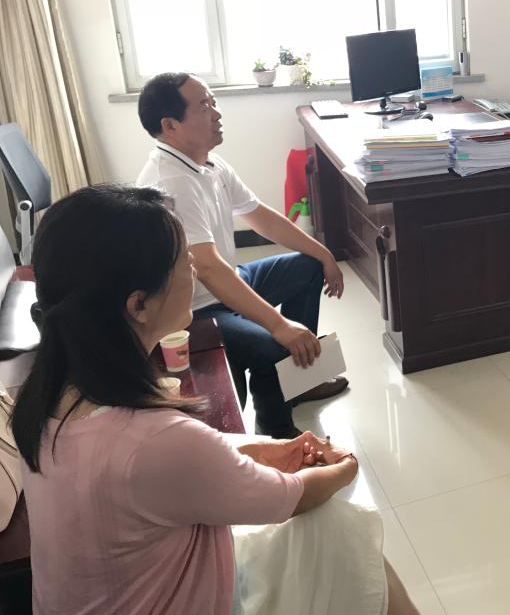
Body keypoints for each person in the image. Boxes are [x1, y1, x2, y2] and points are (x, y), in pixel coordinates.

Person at [11, 184, 419, 615]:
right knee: (342, 528)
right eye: (181, 260)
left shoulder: (42, 400)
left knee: (338, 538)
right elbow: (287, 498)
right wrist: (346, 466)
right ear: (139, 305)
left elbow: (159, 472)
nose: (192, 266)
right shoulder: (156, 440)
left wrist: (257, 451)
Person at [137, 72, 348, 438]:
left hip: (227, 281)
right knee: (276, 344)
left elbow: (259, 216)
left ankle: (299, 382)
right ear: (170, 125)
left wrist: (324, 253)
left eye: (213, 102)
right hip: (196, 307)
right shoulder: (171, 182)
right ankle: (276, 428)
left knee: (308, 266)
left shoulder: (208, 162)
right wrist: (279, 325)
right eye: (204, 106)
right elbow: (206, 268)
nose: (217, 113)